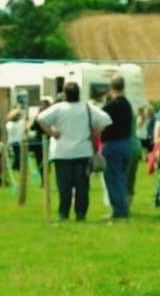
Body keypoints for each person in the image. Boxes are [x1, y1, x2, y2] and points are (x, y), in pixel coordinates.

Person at [37, 82, 111, 222]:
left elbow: (41, 118)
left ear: (65, 94)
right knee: (82, 186)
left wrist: (52, 133)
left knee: (64, 186)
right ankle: (81, 214)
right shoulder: (87, 108)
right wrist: (94, 132)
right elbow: (106, 120)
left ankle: (63, 214)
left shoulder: (58, 108)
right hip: (83, 152)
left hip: (62, 153)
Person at [100, 75, 133, 220]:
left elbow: (99, 121)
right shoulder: (127, 105)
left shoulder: (111, 106)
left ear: (111, 88)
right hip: (126, 144)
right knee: (121, 179)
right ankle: (123, 208)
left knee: (113, 180)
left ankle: (119, 211)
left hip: (112, 145)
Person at [5, 108, 26, 172]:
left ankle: (15, 167)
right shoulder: (19, 123)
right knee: (17, 156)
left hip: (11, 141)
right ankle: (15, 167)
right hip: (17, 141)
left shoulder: (9, 124)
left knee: (16, 155)